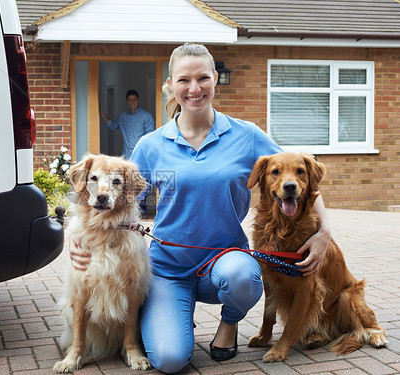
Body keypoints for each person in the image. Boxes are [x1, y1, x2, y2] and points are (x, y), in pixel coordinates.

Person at [70, 43, 331, 374]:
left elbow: (302, 179)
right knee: (168, 359)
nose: (194, 89)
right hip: (167, 268)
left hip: (224, 261)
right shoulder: (151, 145)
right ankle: (175, 314)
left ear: (215, 79)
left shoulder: (245, 135)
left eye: (202, 78)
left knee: (244, 277)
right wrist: (78, 237)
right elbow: (114, 199)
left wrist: (324, 232)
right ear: (171, 85)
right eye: (184, 80)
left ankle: (229, 323)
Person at [99, 89, 155, 159]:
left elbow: (150, 137)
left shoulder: (146, 116)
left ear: (138, 100)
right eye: (130, 100)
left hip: (141, 156)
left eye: (134, 99)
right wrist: (101, 112)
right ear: (127, 101)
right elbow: (112, 126)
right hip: (126, 157)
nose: (132, 102)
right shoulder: (123, 116)